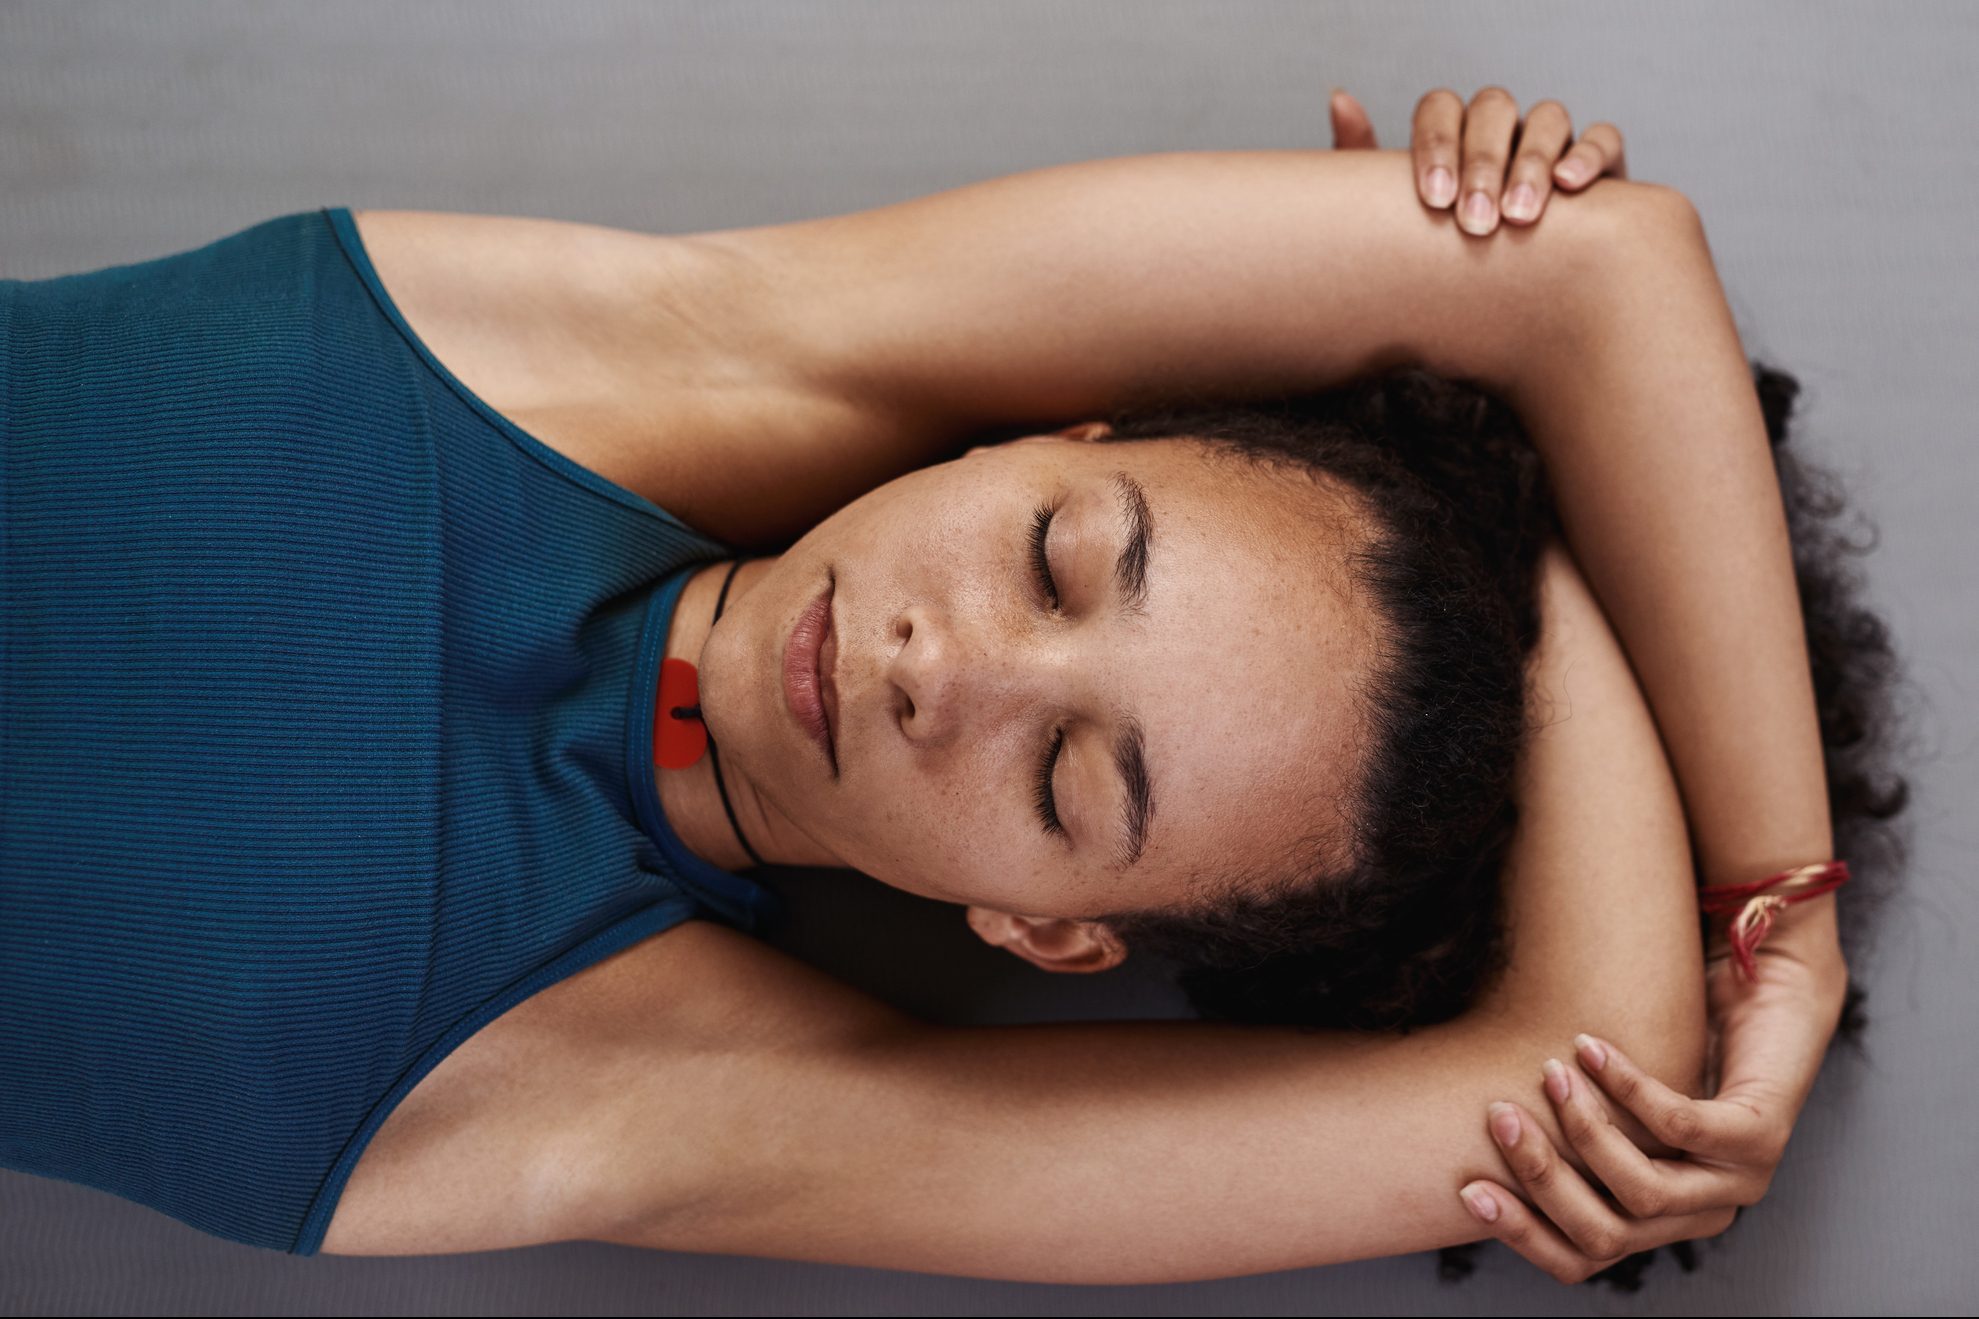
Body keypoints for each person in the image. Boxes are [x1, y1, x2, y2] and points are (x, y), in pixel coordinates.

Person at [0, 89, 1899, 1285]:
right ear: (1030, 432)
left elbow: (1596, 1074)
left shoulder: (642, 1090)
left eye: (1072, 784)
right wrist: (1496, 462)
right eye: (1058, 553)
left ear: (1047, 933)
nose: (942, 666)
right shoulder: (635, 356)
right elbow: (1590, 269)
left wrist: (1535, 507)